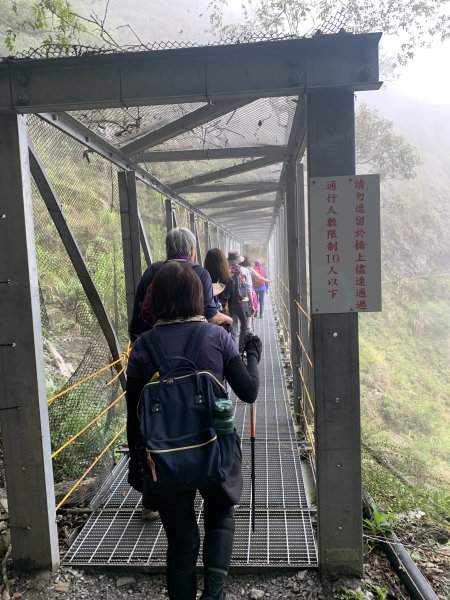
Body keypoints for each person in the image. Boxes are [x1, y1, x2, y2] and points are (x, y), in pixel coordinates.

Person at [126, 261, 261, 600]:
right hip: (216, 448)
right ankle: (214, 595)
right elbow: (249, 391)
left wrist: (138, 466)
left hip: (165, 457)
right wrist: (253, 355)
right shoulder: (216, 336)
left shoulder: (143, 347)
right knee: (220, 517)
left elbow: (134, 415)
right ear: (198, 298)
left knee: (182, 541)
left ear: (156, 300)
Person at [129, 228, 232, 341]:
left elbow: (136, 320)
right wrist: (228, 319)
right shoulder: (200, 274)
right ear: (191, 250)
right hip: (190, 343)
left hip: (155, 340)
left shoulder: (153, 270)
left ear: (168, 249)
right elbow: (212, 317)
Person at [227, 251, 253, 351]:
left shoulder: (226, 271)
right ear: (239, 261)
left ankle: (233, 351)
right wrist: (251, 303)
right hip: (243, 301)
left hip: (230, 302)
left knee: (232, 326)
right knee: (244, 325)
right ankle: (242, 348)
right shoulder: (245, 270)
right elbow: (249, 288)